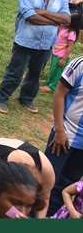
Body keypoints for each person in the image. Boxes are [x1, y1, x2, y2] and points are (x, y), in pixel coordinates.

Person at [0, 0, 71, 115]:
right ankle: (2, 97)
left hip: (46, 44)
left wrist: (42, 12)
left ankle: (27, 98)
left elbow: (66, 19)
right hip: (26, 41)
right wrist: (55, 20)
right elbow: (31, 17)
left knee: (36, 74)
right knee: (15, 72)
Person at [45, 55, 83, 215]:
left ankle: (52, 216)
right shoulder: (80, 64)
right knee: (47, 178)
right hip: (65, 135)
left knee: (68, 181)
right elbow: (59, 93)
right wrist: (60, 130)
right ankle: (33, 214)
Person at [41, 13, 82, 94]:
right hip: (56, 52)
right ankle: (49, 81)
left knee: (58, 71)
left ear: (73, 22)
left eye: (69, 19)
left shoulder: (72, 33)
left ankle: (53, 87)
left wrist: (64, 59)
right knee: (53, 69)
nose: (66, 20)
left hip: (62, 55)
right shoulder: (63, 28)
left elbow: (70, 47)